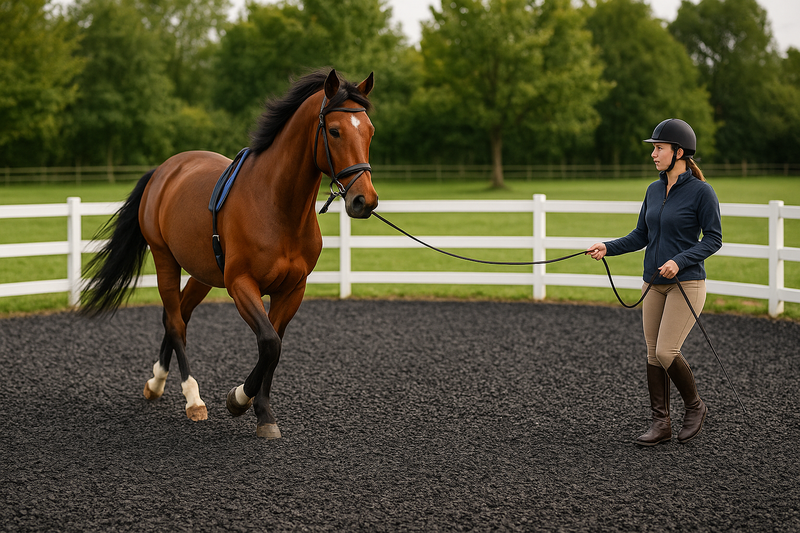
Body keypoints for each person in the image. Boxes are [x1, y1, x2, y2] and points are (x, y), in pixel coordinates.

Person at [587, 118, 722, 446]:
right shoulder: (653, 189)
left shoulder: (702, 192)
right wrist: (607, 247)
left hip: (686, 284)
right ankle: (661, 424)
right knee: (652, 354)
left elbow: (713, 239)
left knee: (665, 350)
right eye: (654, 148)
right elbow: (641, 235)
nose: (654, 154)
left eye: (659, 148)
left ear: (679, 152)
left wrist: (680, 260)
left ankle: (695, 406)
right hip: (652, 283)